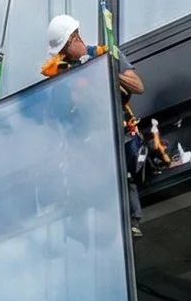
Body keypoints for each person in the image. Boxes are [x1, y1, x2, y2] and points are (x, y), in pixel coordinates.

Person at [41, 13, 151, 230]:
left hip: (116, 132)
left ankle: (130, 220)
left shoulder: (104, 54)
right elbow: (57, 116)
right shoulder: (65, 74)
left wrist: (107, 70)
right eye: (60, 51)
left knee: (122, 172)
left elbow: (138, 86)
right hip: (88, 142)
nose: (63, 54)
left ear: (75, 38)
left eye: (64, 48)